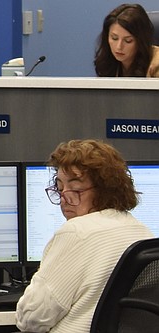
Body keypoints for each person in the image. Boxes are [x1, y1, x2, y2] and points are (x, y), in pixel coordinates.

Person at [16, 139, 151, 333]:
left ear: (106, 189)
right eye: (59, 188)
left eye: (76, 189)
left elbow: (31, 318)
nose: (65, 198)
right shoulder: (141, 232)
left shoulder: (77, 231)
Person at [93, 3, 159, 77]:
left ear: (141, 41)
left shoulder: (157, 64)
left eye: (128, 41)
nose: (119, 47)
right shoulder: (108, 62)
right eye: (114, 38)